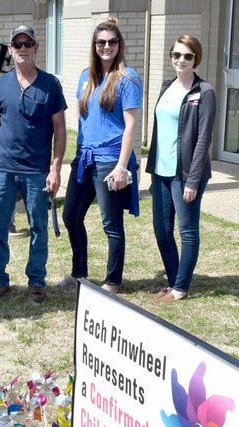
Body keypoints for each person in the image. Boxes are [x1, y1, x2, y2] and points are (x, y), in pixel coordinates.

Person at [0, 25, 67, 304]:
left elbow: (60, 129)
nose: (22, 49)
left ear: (36, 47)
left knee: (38, 228)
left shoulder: (50, 84)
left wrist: (55, 169)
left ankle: (37, 282)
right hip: (4, 168)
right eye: (17, 44)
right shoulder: (0, 85)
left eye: (27, 43)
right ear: (10, 49)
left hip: (36, 171)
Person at [61, 18, 142, 294]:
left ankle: (113, 281)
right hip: (84, 158)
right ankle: (79, 274)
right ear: (94, 46)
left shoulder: (128, 78)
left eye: (112, 42)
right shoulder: (87, 76)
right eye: (101, 42)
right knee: (71, 216)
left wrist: (122, 167)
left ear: (120, 45)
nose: (106, 46)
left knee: (111, 224)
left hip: (110, 160)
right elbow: (84, 120)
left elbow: (131, 125)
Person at [146, 35, 216, 302]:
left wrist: (193, 181)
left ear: (196, 58)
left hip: (186, 174)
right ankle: (174, 281)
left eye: (187, 56)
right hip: (161, 172)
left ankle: (181, 288)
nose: (181, 60)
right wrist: (152, 171)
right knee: (162, 230)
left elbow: (203, 140)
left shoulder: (204, 92)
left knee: (187, 230)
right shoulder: (167, 86)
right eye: (176, 55)